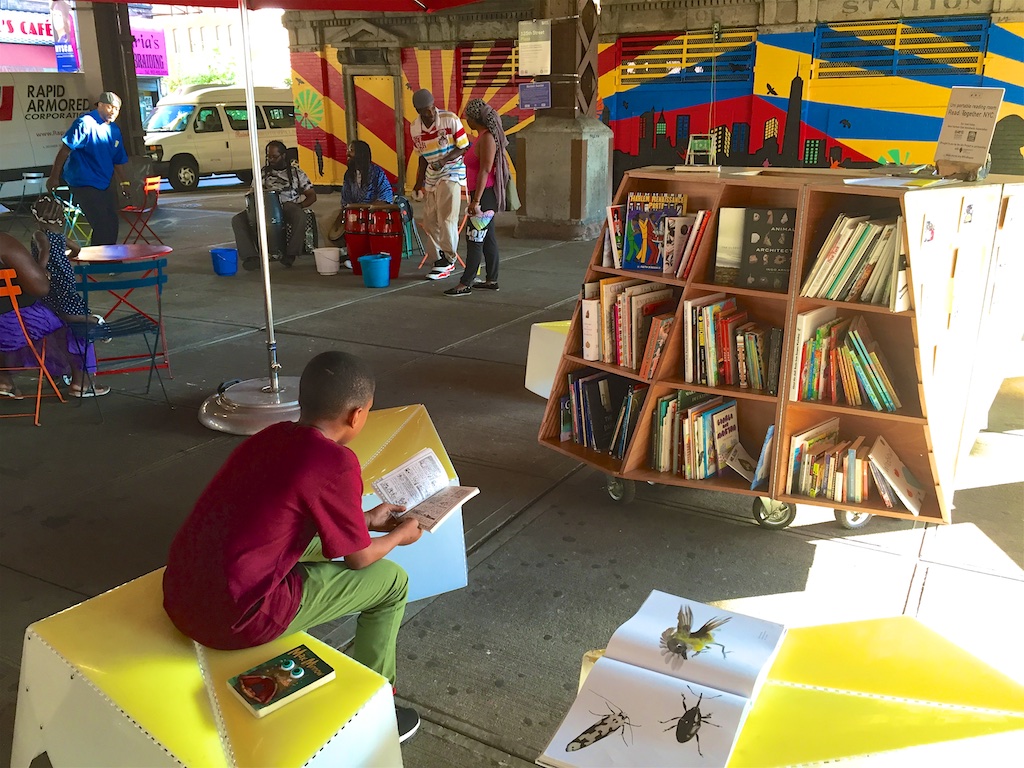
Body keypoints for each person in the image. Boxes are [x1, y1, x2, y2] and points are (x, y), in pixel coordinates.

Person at [162, 350, 424, 741]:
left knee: (311, 545)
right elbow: (358, 558)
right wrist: (399, 536)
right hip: (235, 616)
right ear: (357, 415)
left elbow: (284, 515)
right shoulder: (335, 461)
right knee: (392, 583)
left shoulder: (268, 437)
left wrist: (365, 520)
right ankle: (378, 706)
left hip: (181, 593)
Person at [0, 232, 105, 399]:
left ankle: (4, 379)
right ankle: (82, 382)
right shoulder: (4, 243)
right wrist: (41, 269)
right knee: (72, 319)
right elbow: (40, 287)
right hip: (14, 327)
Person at [46, 91, 131, 247]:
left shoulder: (114, 131)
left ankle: (110, 258)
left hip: (104, 181)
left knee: (112, 221)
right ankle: (99, 262)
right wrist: (54, 177)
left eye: (116, 109)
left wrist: (124, 183)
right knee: (101, 223)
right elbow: (65, 149)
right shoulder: (85, 123)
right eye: (109, 107)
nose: (113, 111)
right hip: (83, 181)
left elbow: (117, 160)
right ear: (99, 105)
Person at [443, 99, 509, 297]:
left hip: (485, 196)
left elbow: (485, 170)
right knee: (487, 239)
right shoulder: (481, 137)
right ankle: (491, 279)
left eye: (468, 118)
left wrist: (475, 201)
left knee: (474, 238)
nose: (466, 121)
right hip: (481, 195)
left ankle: (465, 283)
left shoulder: (487, 138)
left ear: (475, 119)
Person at [410, 89, 469, 281]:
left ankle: (449, 258)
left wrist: (444, 161)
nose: (431, 112)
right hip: (431, 175)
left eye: (432, 108)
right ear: (419, 110)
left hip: (452, 170)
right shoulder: (415, 128)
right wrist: (417, 185)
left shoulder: (449, 119)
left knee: (446, 217)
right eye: (426, 111)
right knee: (429, 220)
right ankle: (437, 259)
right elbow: (421, 159)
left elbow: (464, 146)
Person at [234, 140, 317, 271]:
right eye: (268, 156)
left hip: (287, 205)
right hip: (265, 206)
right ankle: (251, 256)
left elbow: (312, 195)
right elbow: (252, 192)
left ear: (283, 155)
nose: (271, 159)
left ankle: (291, 254)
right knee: (238, 219)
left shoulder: (297, 173)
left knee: (300, 216)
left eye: (274, 156)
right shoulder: (262, 173)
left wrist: (299, 206)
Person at [329, 140, 394, 269]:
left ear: (361, 154)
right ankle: (344, 252)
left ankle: (360, 256)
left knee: (361, 222)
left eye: (351, 150)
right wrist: (347, 211)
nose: (347, 153)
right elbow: (345, 198)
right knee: (327, 221)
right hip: (354, 211)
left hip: (374, 213)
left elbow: (386, 196)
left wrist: (366, 210)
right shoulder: (349, 174)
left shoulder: (377, 172)